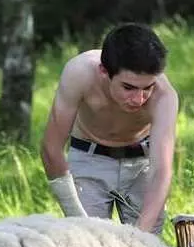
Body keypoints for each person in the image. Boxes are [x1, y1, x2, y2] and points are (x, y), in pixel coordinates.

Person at [40, 23, 179, 234]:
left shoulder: (165, 97)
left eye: (147, 88)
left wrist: (141, 237)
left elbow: (161, 169)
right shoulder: (79, 73)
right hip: (89, 158)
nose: (139, 99)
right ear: (104, 71)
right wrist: (76, 216)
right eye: (128, 87)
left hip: (142, 163)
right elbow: (51, 149)